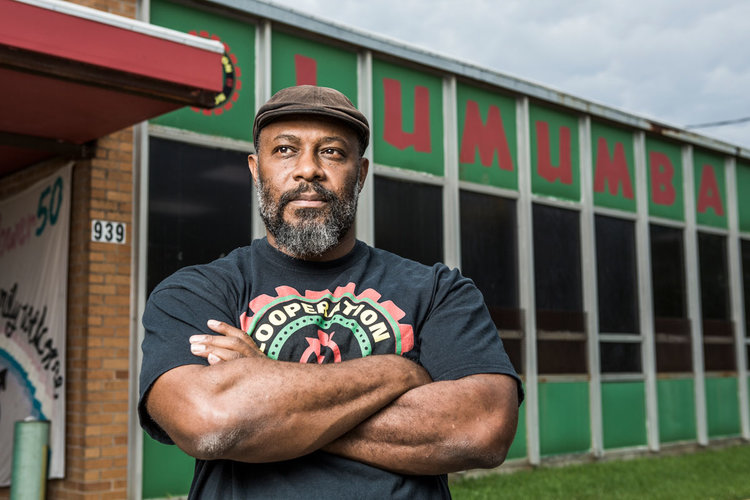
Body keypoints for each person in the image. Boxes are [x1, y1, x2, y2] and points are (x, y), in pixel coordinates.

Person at [138, 85, 523, 499]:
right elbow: (209, 420)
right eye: (285, 150)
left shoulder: (437, 290)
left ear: (360, 173)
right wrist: (396, 372)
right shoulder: (197, 292)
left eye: (333, 152)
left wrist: (265, 390)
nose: (308, 170)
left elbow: (483, 427)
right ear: (255, 169)